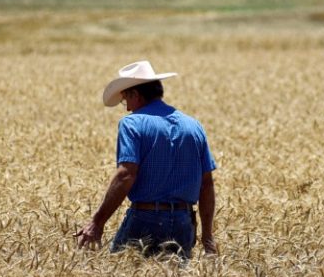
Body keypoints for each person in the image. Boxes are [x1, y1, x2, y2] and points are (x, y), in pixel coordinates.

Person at [76, 61, 218, 258]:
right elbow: (206, 184)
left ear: (136, 94)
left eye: (126, 100)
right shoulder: (194, 126)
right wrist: (207, 236)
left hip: (145, 218)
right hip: (184, 222)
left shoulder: (132, 123)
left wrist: (97, 222)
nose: (126, 109)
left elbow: (125, 175)